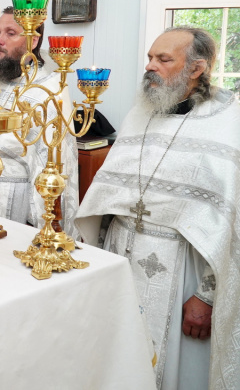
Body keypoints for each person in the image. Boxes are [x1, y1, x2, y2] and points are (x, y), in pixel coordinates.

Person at [75, 27, 240, 390]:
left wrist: (206, 295)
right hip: (121, 252)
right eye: (150, 57)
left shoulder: (227, 122)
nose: (150, 66)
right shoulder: (142, 113)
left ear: (196, 68)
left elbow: (231, 223)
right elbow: (108, 193)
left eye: (163, 59)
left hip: (183, 271)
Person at [0, 7, 79, 232]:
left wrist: (48, 228)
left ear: (32, 41)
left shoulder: (49, 89)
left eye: (10, 34)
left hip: (12, 205)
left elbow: (54, 164)